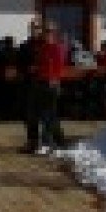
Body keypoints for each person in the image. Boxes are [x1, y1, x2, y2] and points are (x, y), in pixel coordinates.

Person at [33, 22, 69, 153]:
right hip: (41, 82)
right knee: (48, 114)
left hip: (51, 83)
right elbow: (40, 64)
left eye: (49, 32)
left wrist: (54, 79)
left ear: (54, 34)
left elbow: (59, 66)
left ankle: (47, 142)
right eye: (45, 32)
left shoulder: (57, 48)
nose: (47, 34)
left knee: (49, 113)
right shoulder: (43, 48)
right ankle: (59, 140)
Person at [16, 20, 42, 152]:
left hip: (43, 83)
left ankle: (46, 141)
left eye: (37, 28)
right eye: (32, 28)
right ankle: (32, 141)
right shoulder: (24, 46)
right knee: (28, 114)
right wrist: (26, 69)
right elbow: (19, 64)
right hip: (28, 83)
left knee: (44, 114)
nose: (35, 30)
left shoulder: (45, 45)